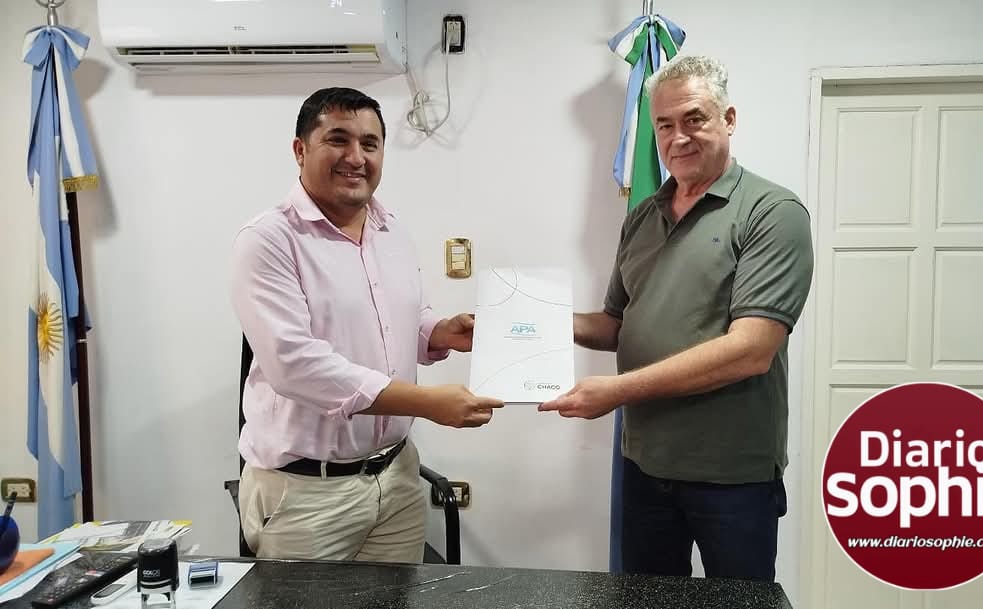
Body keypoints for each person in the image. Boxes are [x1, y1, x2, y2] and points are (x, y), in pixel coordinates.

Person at [539, 56, 813, 581]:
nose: (678, 137)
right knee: (646, 601)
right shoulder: (643, 216)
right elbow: (614, 324)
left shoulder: (772, 212)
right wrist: (518, 323)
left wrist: (616, 391)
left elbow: (751, 350)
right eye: (664, 125)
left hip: (730, 474)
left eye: (694, 119)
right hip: (644, 464)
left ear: (728, 119)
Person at [230, 87, 503, 563]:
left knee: (397, 598)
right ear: (300, 150)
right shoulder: (269, 240)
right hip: (307, 495)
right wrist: (426, 403)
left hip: (396, 480)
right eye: (338, 139)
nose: (356, 157)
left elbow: (399, 319)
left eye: (370, 144)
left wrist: (440, 331)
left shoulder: (391, 230)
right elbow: (295, 365)